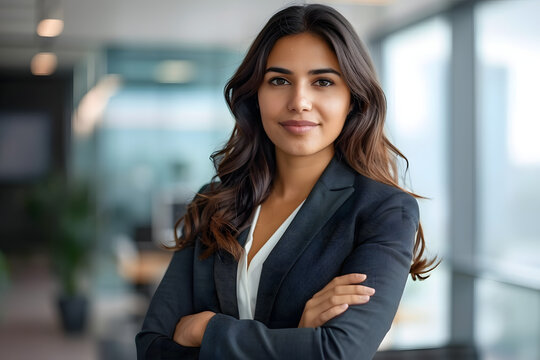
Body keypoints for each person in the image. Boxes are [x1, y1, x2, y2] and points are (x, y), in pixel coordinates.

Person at [136, 3, 438, 359]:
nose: (299, 101)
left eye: (322, 82)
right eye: (279, 80)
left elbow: (338, 351)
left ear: (352, 99)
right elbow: (153, 347)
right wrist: (296, 339)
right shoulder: (214, 202)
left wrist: (205, 329)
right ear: (256, 95)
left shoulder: (383, 211)